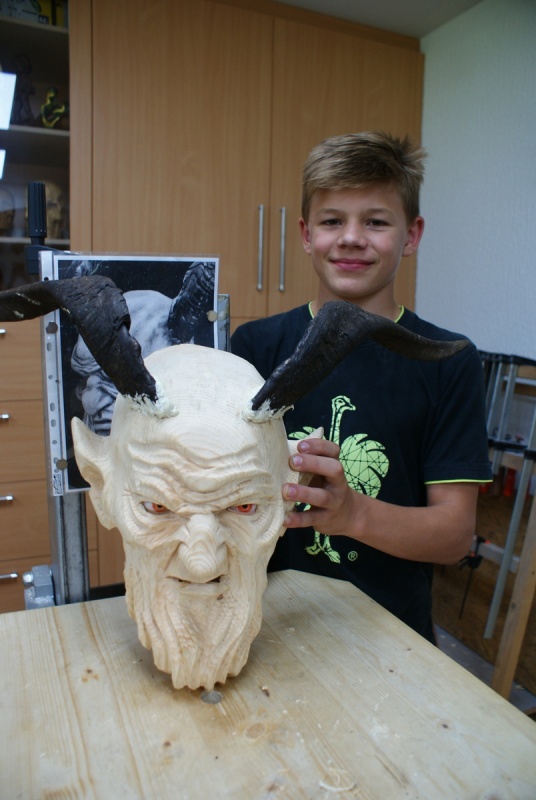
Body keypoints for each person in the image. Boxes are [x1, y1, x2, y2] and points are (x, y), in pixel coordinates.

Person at [231, 131, 492, 643]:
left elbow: (454, 536)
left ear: (411, 236)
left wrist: (353, 514)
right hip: (265, 623)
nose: (351, 238)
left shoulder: (449, 360)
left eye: (375, 221)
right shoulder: (253, 346)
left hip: (392, 636)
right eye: (332, 221)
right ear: (306, 234)